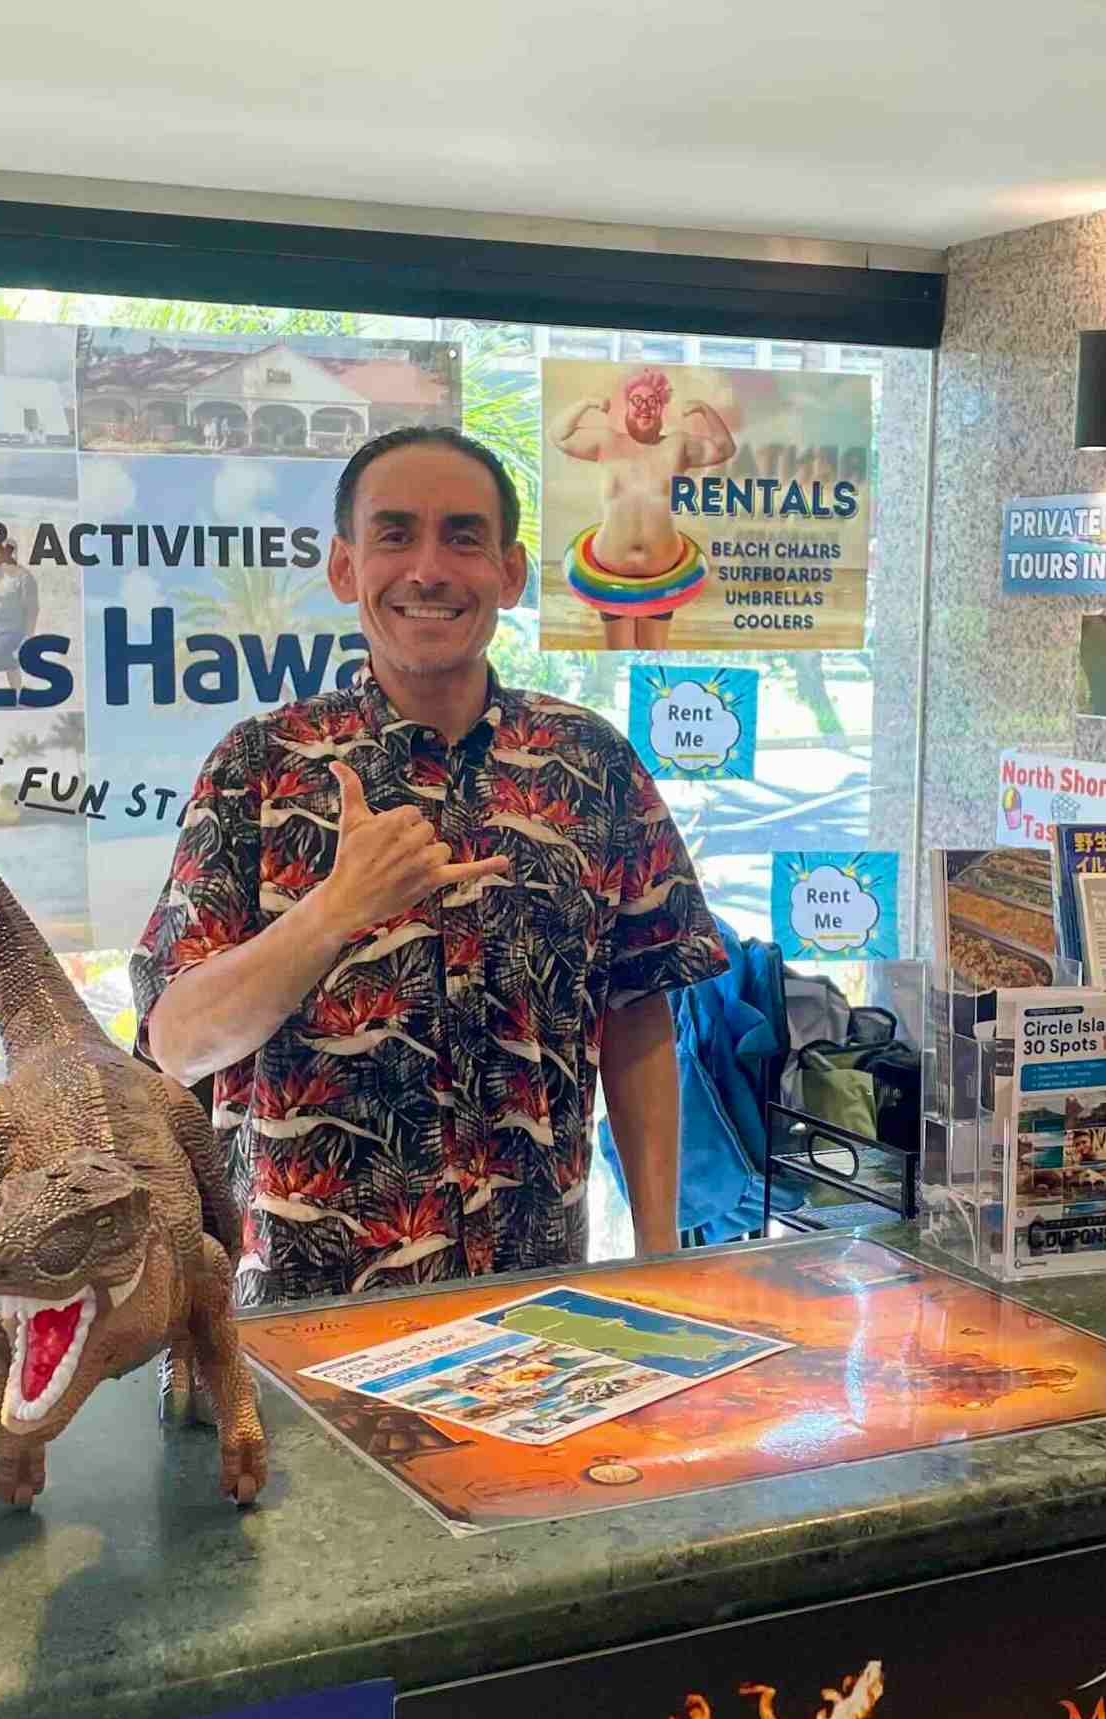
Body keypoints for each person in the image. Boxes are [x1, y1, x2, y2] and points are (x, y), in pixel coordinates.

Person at [136, 426, 725, 1307]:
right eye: (395, 534)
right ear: (345, 568)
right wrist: (334, 911)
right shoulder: (261, 767)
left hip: (536, 1296)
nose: (428, 569)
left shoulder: (590, 762)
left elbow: (637, 1011)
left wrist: (658, 1252)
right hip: (307, 1310)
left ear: (510, 573)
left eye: (463, 537)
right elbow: (178, 1044)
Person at [550, 368, 736, 650]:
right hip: (608, 572)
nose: (645, 407)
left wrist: (704, 409)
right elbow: (559, 436)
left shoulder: (678, 445)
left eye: (653, 401)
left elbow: (724, 449)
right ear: (626, 405)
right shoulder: (607, 442)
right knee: (618, 653)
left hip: (664, 575)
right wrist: (586, 403)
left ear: (662, 408)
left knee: (652, 653)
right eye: (637, 400)